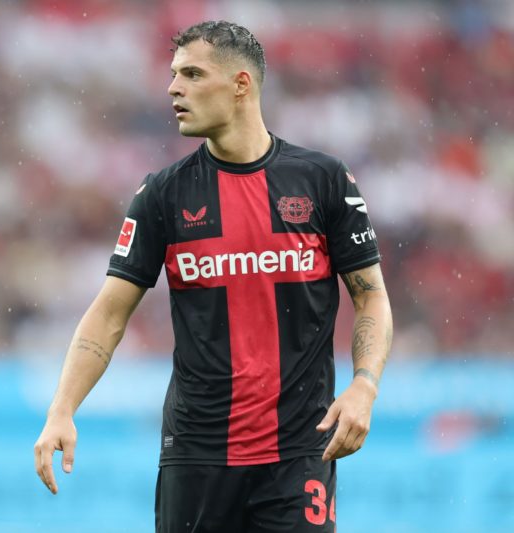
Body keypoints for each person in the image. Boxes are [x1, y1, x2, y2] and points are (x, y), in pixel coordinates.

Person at [34, 20, 393, 533]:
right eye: (173, 75)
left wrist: (365, 385)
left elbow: (372, 298)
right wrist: (61, 409)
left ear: (241, 85)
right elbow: (109, 313)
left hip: (298, 451)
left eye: (192, 74)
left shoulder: (323, 181)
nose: (173, 88)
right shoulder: (163, 194)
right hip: (196, 454)